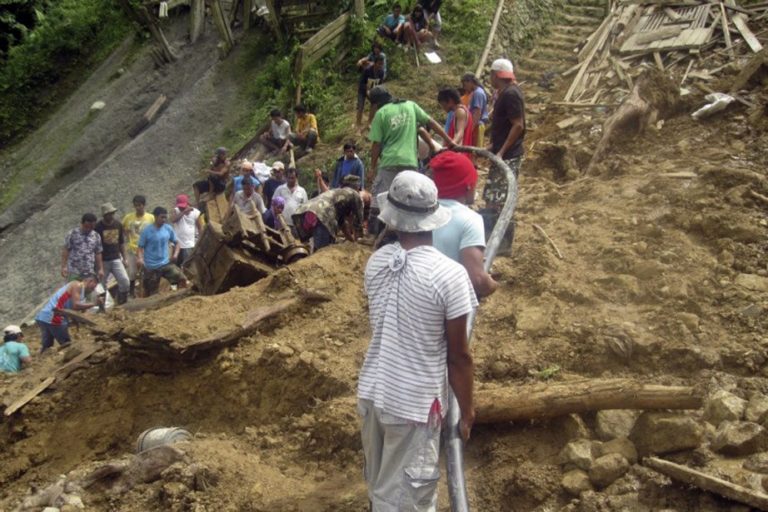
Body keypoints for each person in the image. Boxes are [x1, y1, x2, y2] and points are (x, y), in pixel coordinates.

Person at [358, 171, 477, 510]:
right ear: (433, 217)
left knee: (381, 489)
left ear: (393, 219)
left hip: (373, 395)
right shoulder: (449, 275)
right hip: (412, 406)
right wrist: (467, 411)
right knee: (408, 501)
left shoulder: (377, 262)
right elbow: (458, 357)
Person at [367, 85, 454, 234]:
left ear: (375, 104)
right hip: (410, 161)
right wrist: (449, 141)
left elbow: (376, 144)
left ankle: (378, 234)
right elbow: (430, 122)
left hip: (389, 161)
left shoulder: (381, 114)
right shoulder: (410, 106)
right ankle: (408, 232)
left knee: (381, 197)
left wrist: (372, 167)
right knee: (408, 197)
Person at [430, 151, 499, 297]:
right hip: (446, 305)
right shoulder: (470, 219)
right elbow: (477, 281)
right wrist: (492, 284)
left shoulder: (422, 211)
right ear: (467, 186)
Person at [293, 171, 367, 251]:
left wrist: (351, 241)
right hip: (323, 215)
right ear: (356, 187)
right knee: (323, 252)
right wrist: (357, 243)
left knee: (317, 249)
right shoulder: (354, 194)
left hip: (306, 211)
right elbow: (358, 223)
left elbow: (342, 225)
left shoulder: (337, 192)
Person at [35, 274, 101, 353]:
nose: (93, 289)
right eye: (94, 286)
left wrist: (76, 320)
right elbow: (75, 305)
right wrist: (94, 304)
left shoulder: (81, 292)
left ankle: (43, 358)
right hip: (54, 316)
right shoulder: (77, 285)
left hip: (44, 316)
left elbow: (71, 308)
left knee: (47, 346)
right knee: (67, 345)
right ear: (90, 281)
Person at [489, 58, 525, 177]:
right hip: (503, 154)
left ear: (495, 75)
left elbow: (518, 125)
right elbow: (505, 125)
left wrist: (501, 152)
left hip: (508, 156)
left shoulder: (510, 94)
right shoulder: (505, 92)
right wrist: (493, 146)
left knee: (501, 193)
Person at [137, 207, 186, 297]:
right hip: (151, 267)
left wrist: (175, 255)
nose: (164, 219)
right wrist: (140, 258)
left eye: (165, 217)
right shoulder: (147, 231)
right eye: (161, 217)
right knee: (151, 294)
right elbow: (140, 247)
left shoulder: (168, 228)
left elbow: (177, 243)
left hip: (165, 263)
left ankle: (179, 299)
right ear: (155, 217)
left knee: (181, 279)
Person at [95, 202, 130, 305]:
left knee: (124, 280)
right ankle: (102, 308)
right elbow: (96, 247)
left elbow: (121, 243)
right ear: (104, 215)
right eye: (109, 213)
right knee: (101, 285)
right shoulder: (98, 227)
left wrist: (125, 258)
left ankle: (122, 302)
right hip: (103, 260)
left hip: (115, 258)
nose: (111, 215)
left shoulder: (118, 224)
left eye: (112, 213)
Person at [122, 195, 154, 297]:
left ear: (144, 205)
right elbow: (122, 227)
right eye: (135, 205)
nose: (137, 208)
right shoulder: (128, 217)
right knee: (132, 272)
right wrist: (127, 235)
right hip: (132, 248)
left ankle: (146, 291)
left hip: (146, 249)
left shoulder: (150, 217)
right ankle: (131, 292)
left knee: (146, 271)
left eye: (139, 205)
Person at [62, 213, 104, 282]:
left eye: (91, 227)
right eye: (87, 226)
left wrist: (100, 268)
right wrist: (64, 266)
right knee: (73, 290)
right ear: (82, 223)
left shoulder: (96, 236)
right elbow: (66, 250)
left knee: (88, 291)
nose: (89, 229)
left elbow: (98, 253)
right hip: (73, 270)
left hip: (89, 271)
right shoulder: (72, 233)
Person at [170, 195, 203, 266]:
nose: (181, 208)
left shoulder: (196, 212)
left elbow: (200, 228)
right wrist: (184, 212)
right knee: (175, 265)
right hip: (177, 243)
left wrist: (200, 242)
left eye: (183, 207)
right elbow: (173, 220)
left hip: (189, 244)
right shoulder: (176, 210)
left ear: (187, 204)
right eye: (180, 207)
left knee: (187, 265)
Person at [356, 55, 386, 127]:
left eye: (382, 64)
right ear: (375, 63)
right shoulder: (367, 70)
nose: (380, 66)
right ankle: (358, 124)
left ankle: (369, 122)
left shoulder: (381, 72)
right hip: (362, 91)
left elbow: (380, 83)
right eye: (379, 64)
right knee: (360, 106)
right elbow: (362, 82)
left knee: (374, 104)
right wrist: (366, 90)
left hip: (373, 90)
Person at [461, 72, 490, 147]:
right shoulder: (477, 92)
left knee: (473, 150)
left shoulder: (478, 93)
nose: (464, 87)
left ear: (470, 82)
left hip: (477, 126)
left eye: (465, 85)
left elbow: (477, 112)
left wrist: (471, 129)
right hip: (476, 125)